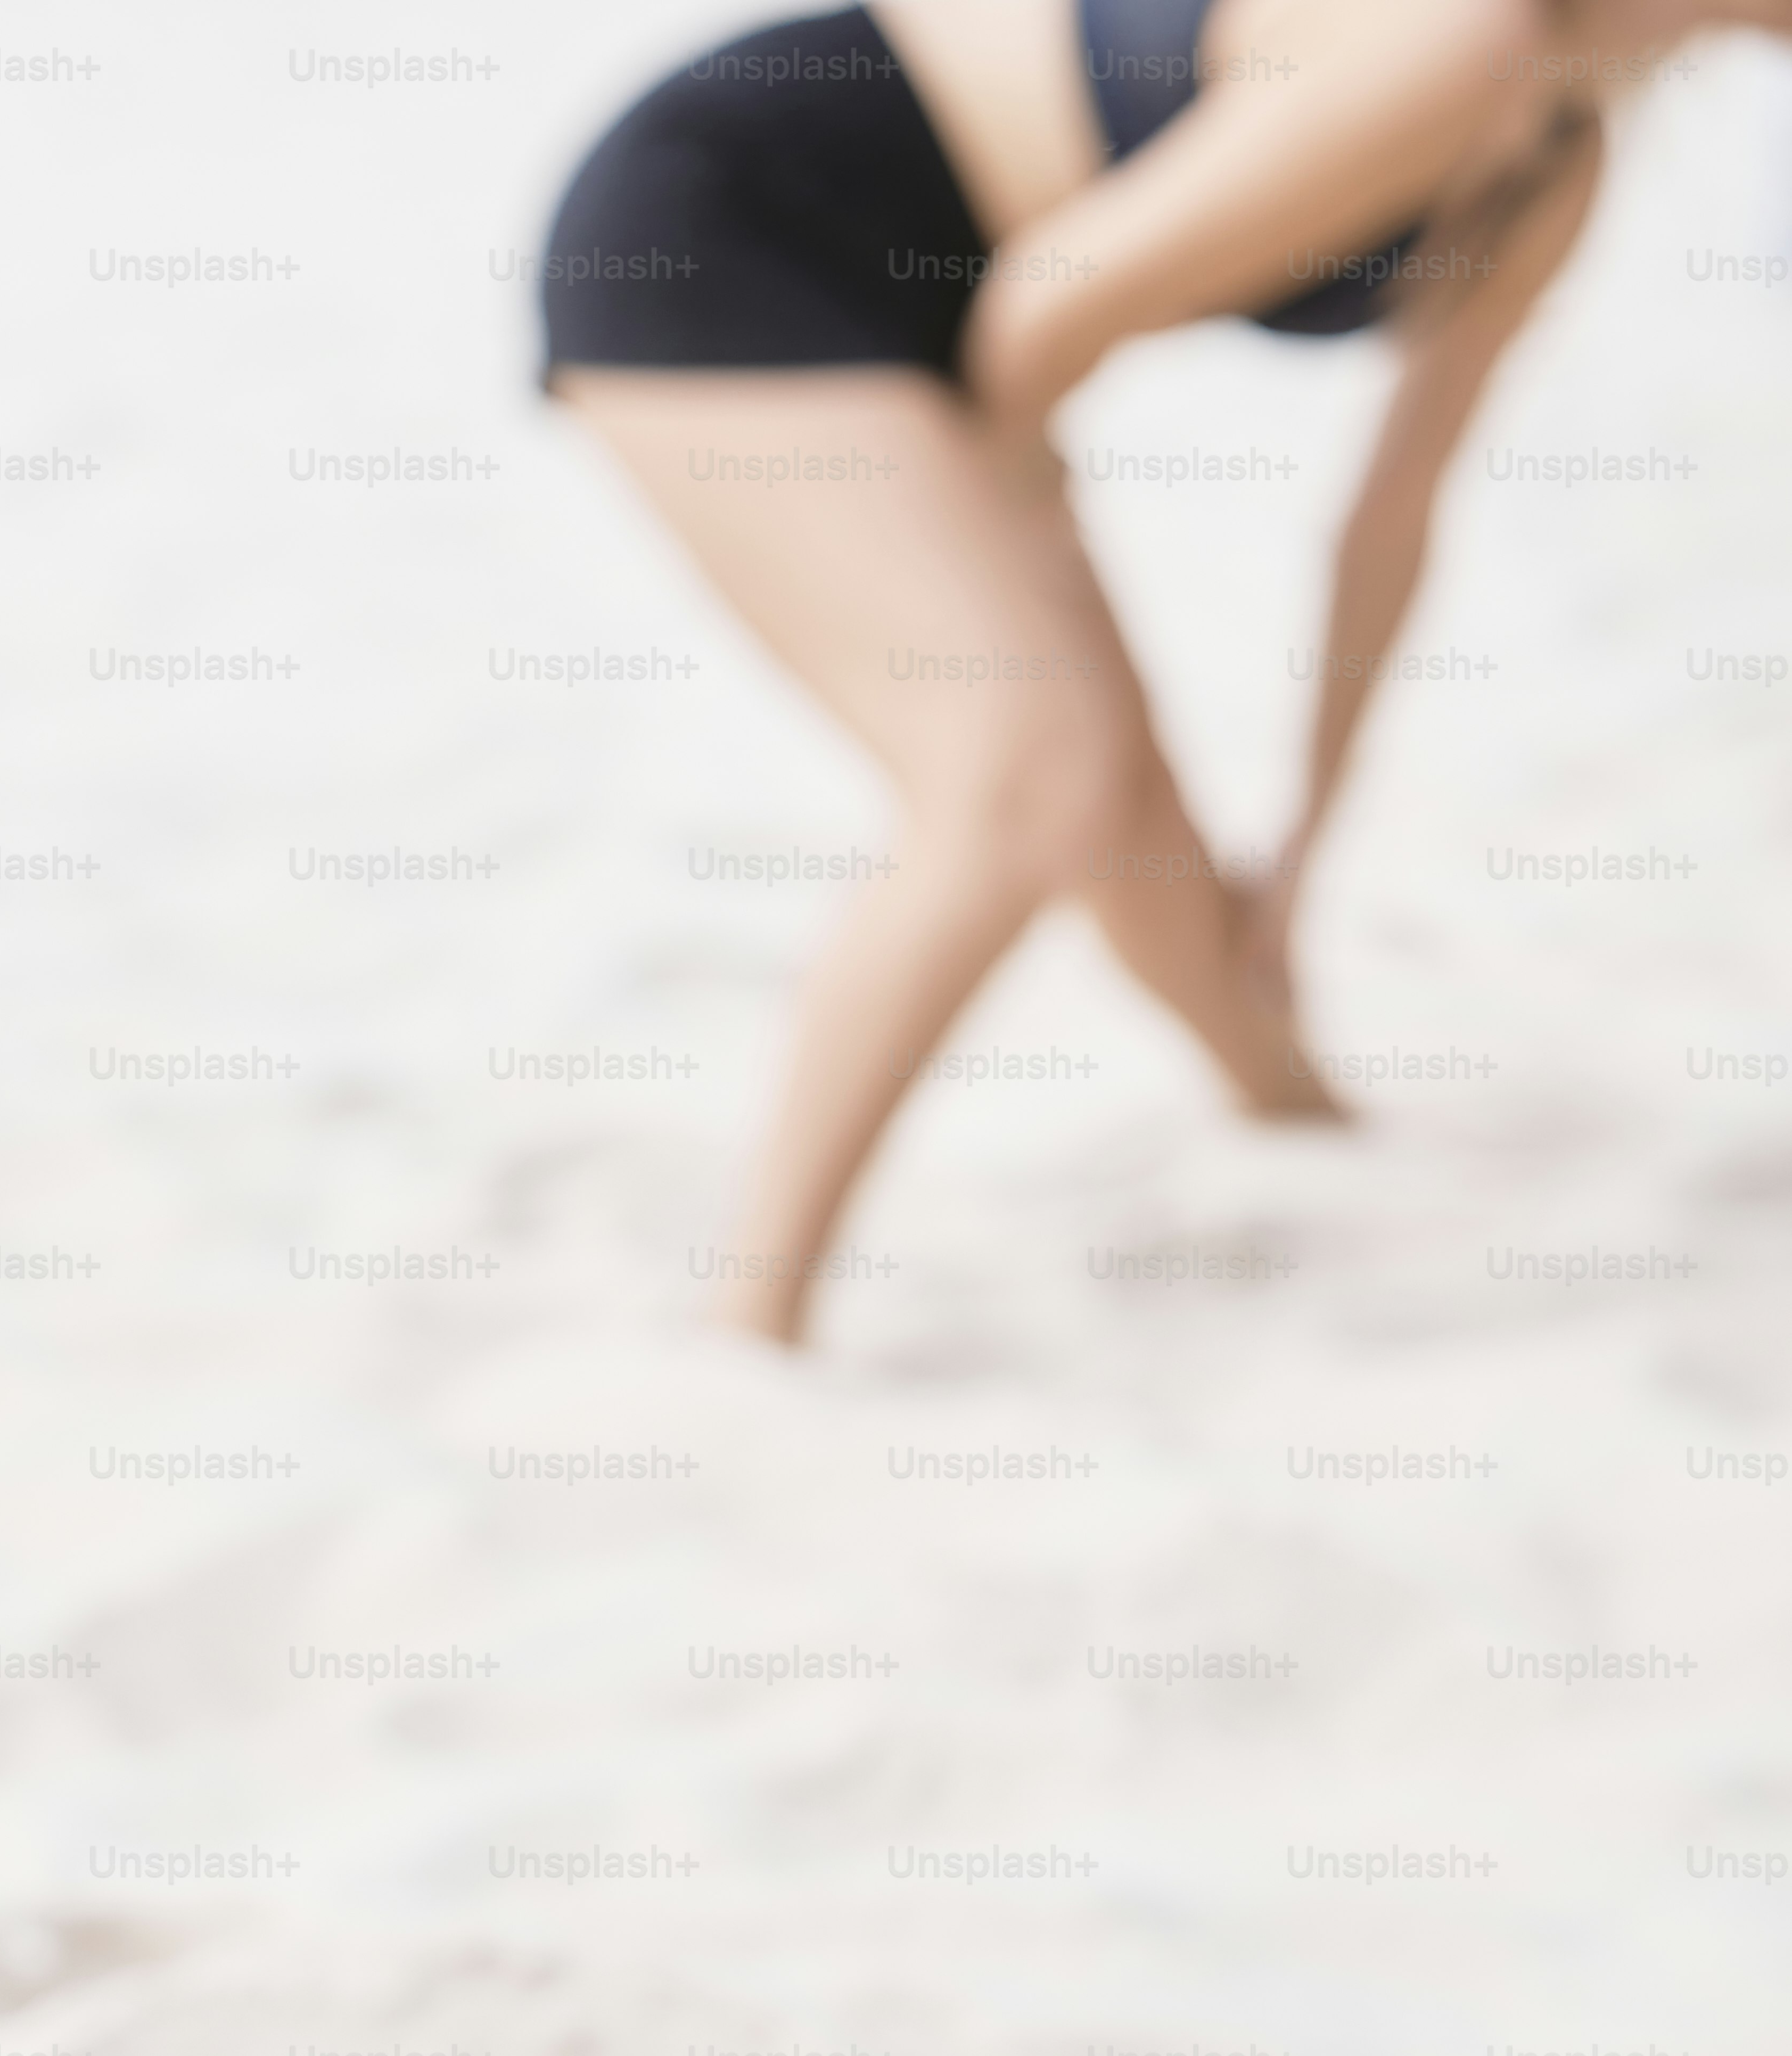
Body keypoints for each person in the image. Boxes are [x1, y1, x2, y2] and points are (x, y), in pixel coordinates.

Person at [539, 0, 1785, 1341]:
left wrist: (1304, 845)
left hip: (970, 313)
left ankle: (1299, 1121)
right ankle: (753, 1316)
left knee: (1171, 881)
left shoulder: (1555, 153)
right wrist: (1036, 543)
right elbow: (1043, 309)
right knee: (1028, 770)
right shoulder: (1455, 35)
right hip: (738, 225)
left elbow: (1390, 518)